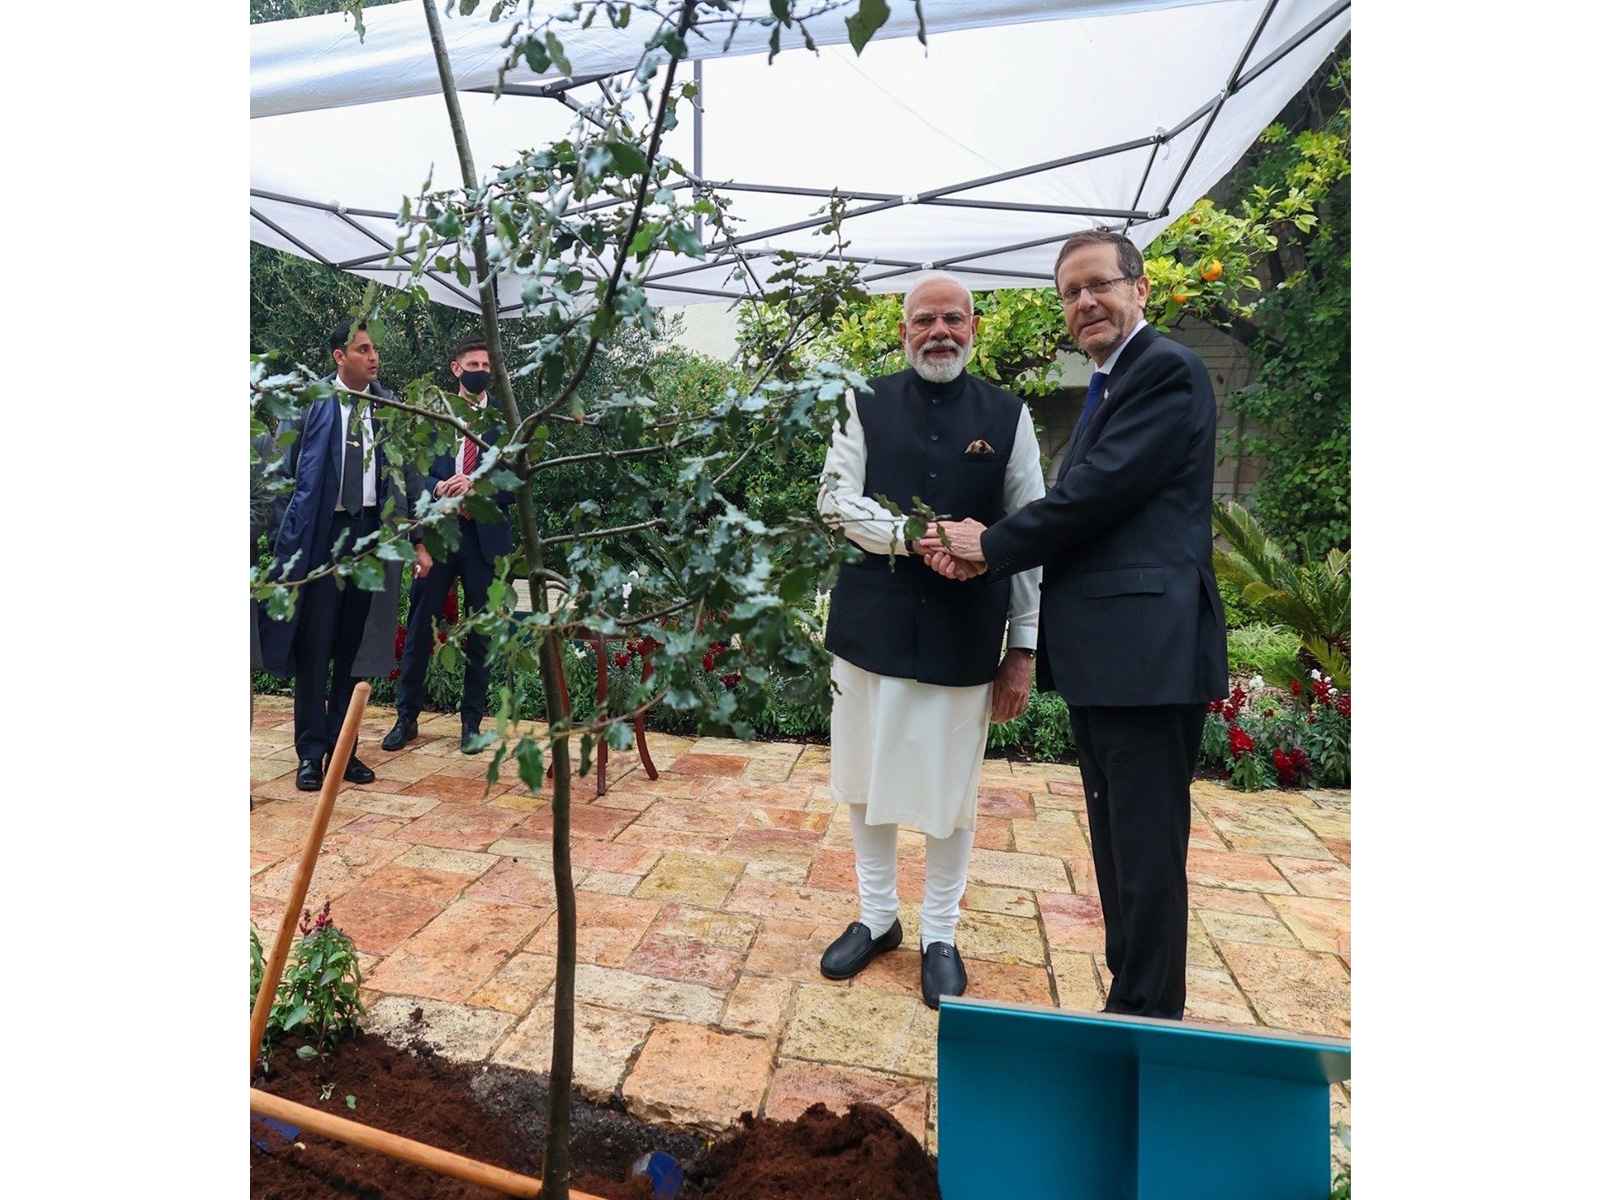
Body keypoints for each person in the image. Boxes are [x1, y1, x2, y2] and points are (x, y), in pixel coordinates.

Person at [918, 229, 1228, 1020]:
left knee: (1145, 854)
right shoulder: (1111, 383)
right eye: (1071, 292)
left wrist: (988, 545)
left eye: (1100, 285)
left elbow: (1095, 495)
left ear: (1140, 289)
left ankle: (1147, 1018)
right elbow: (1087, 505)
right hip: (1113, 658)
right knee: (1121, 848)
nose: (1085, 302)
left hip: (1148, 655)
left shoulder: (1165, 371)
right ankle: (1132, 1000)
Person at [816, 271, 1046, 1010]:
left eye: (953, 318)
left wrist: (1023, 648)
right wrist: (912, 535)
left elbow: (1030, 532)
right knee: (864, 780)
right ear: (903, 331)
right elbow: (833, 500)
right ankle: (877, 916)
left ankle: (940, 934)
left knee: (952, 793)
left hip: (964, 632)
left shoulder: (1009, 415)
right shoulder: (860, 401)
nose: (939, 331)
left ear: (974, 328)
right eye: (924, 319)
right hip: (868, 625)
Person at [257, 319, 432, 792]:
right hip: (320, 537)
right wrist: (288, 538)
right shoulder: (311, 403)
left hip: (368, 536)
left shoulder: (388, 407)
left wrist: (418, 540)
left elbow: (409, 477)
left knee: (352, 649)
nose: (374, 358)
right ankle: (310, 754)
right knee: (315, 647)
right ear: (339, 357)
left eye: (375, 350)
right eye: (363, 349)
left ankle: (342, 751)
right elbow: (280, 474)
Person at [382, 335, 516, 755]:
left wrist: (476, 486)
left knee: (481, 635)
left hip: (483, 539)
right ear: (456, 369)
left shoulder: (504, 423)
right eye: (473, 365)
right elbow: (410, 472)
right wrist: (439, 486)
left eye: (486, 366)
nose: (481, 372)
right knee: (419, 627)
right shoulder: (432, 417)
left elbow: (516, 483)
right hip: (438, 536)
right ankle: (406, 718)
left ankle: (471, 722)